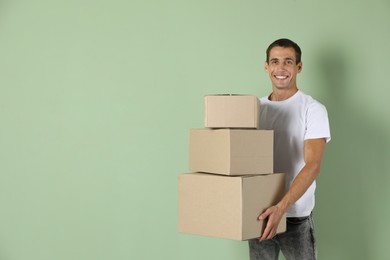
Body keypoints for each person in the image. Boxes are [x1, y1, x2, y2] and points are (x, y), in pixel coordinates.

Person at [248, 38, 331, 260]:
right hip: (260, 214)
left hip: (295, 216)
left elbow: (313, 165)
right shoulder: (255, 108)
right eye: (275, 61)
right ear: (266, 67)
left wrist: (281, 208)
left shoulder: (313, 109)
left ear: (299, 67)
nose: (281, 68)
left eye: (288, 61)